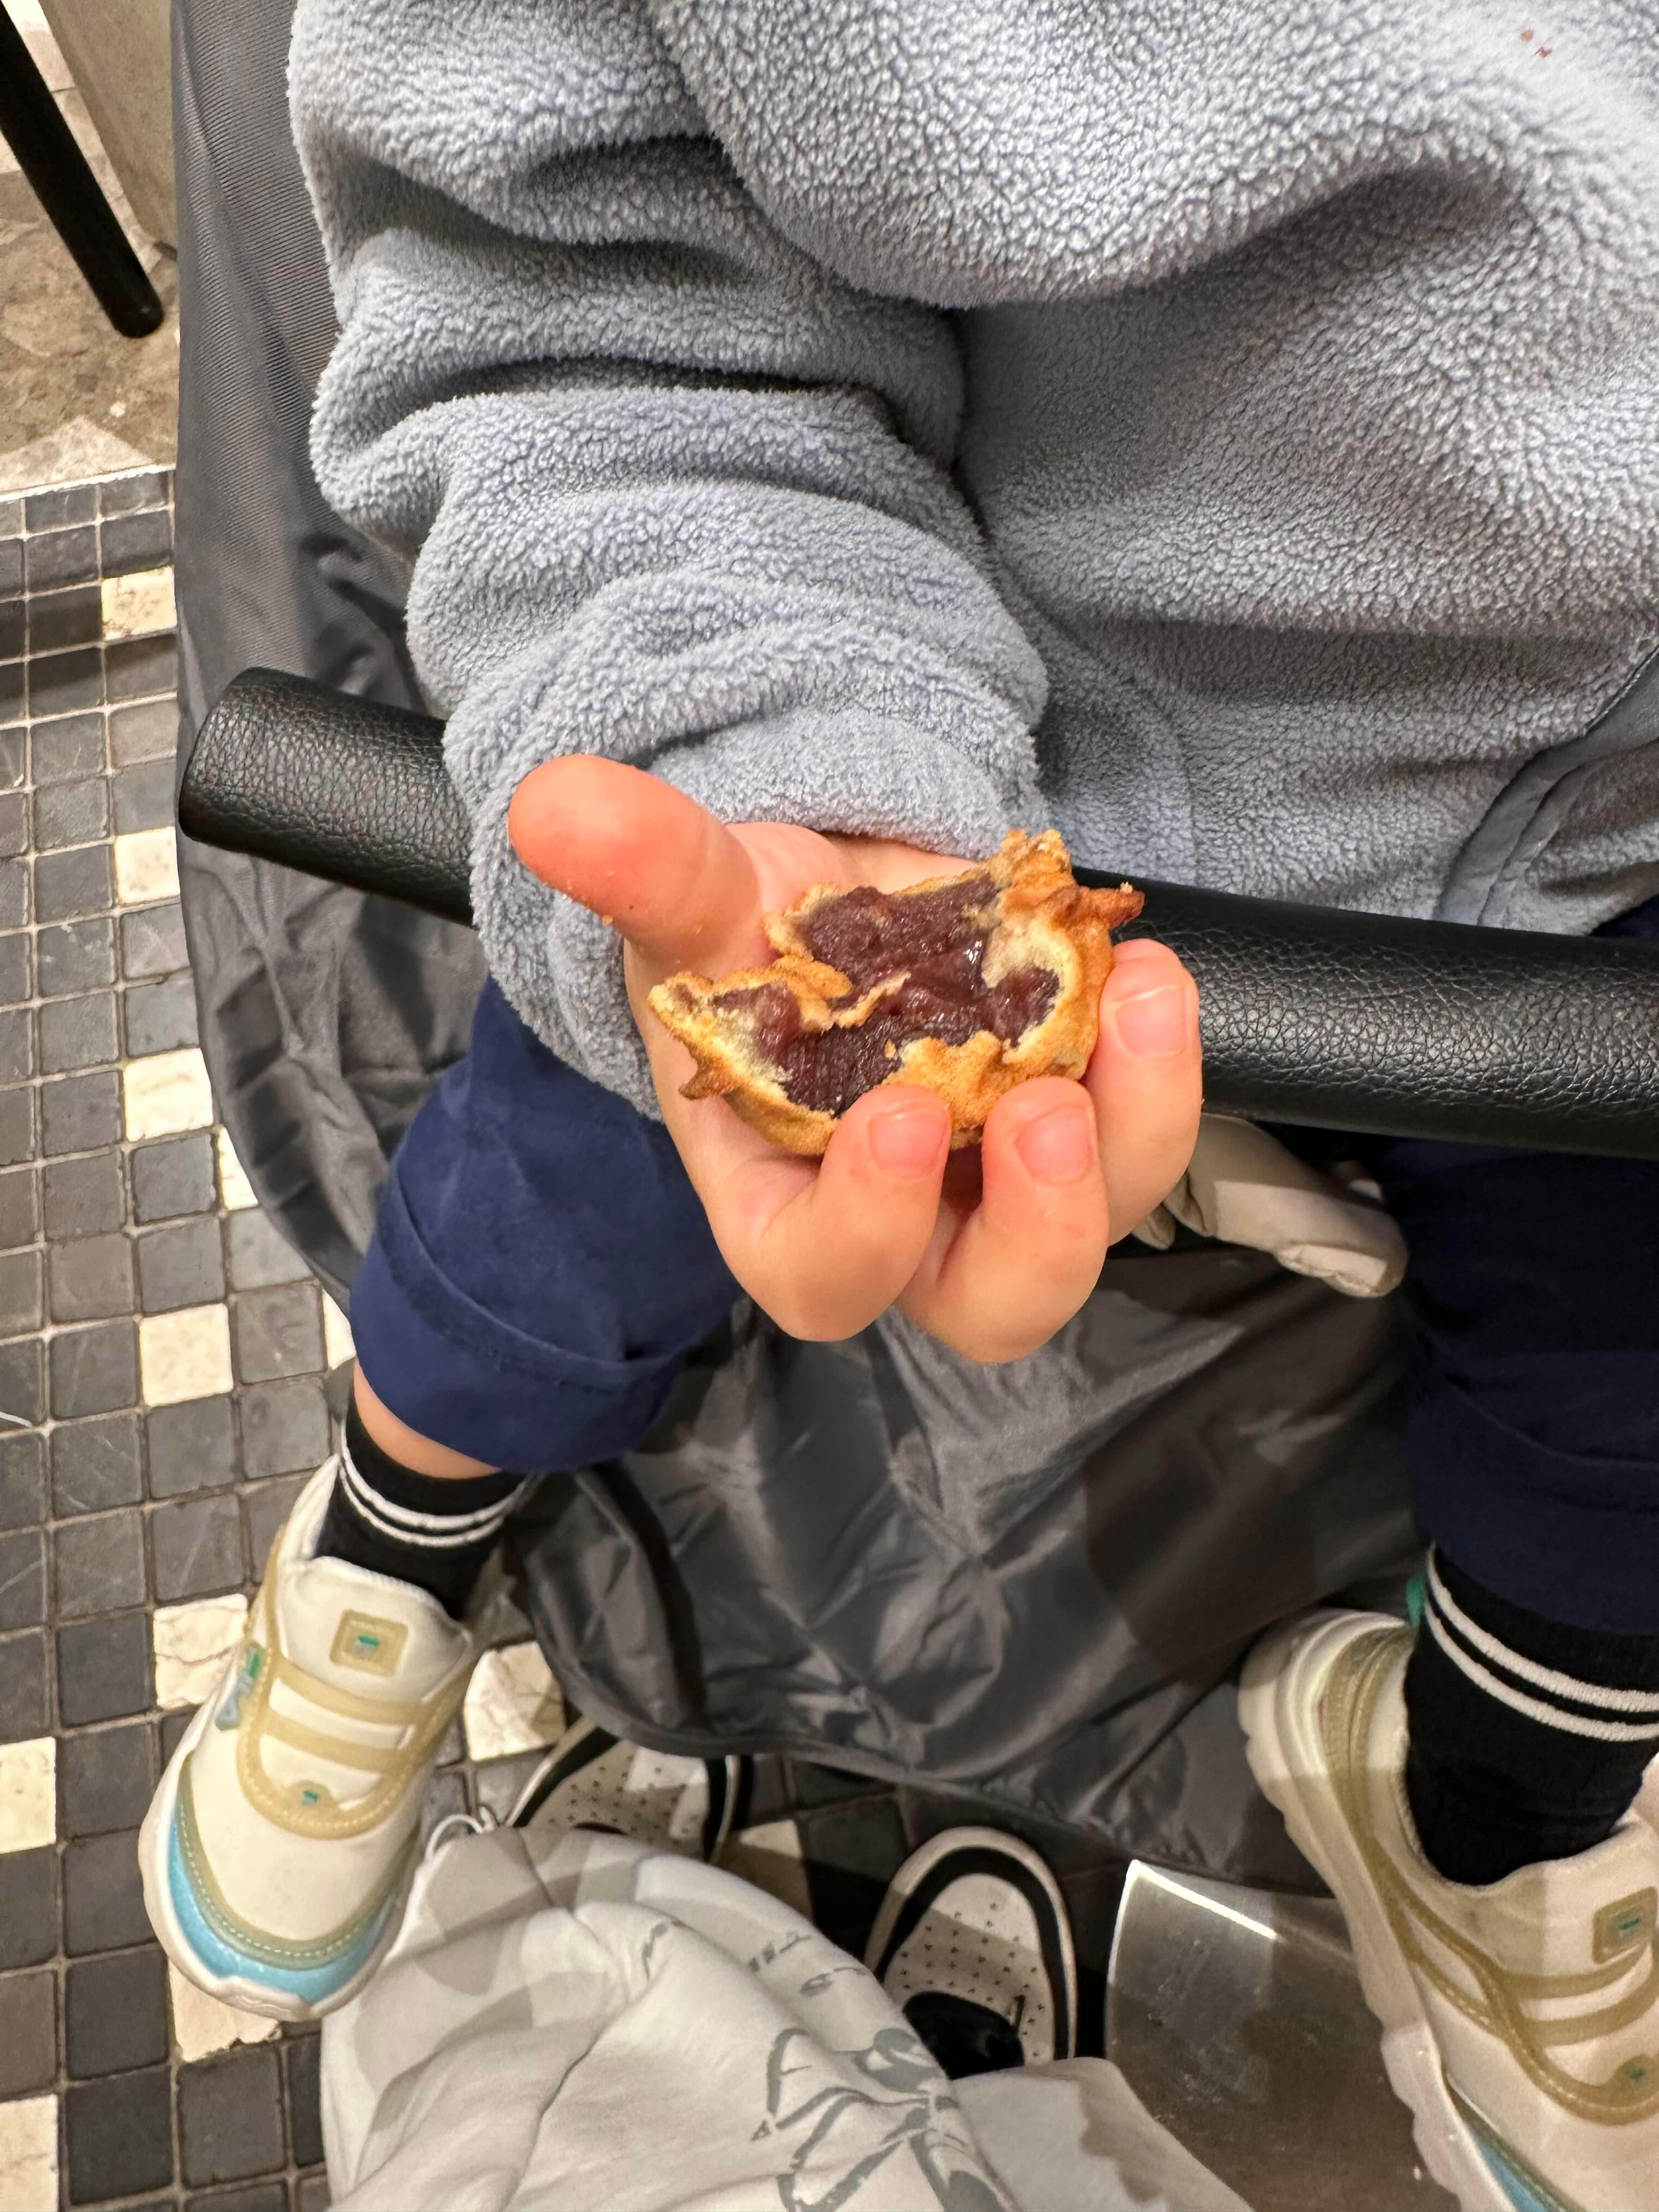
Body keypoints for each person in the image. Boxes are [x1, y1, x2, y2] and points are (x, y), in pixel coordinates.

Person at [139, 6, 1659, 2208]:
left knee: (1629, 1409)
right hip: (914, 721)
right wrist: (767, 730)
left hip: (1587, 863)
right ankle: (391, 1534)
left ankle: (1492, 1803)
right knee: (565, 1170)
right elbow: (588, 283)